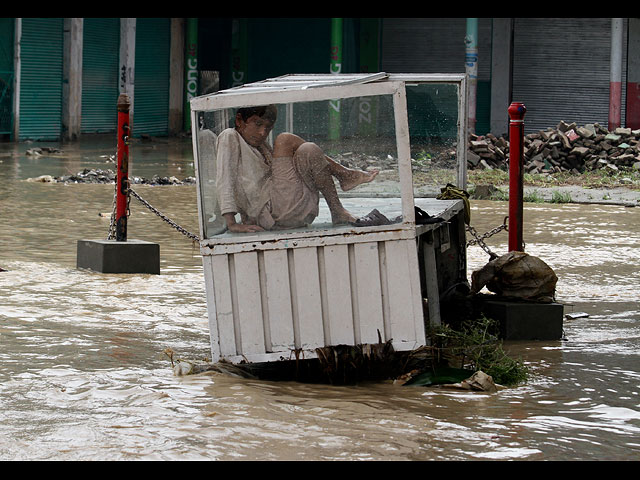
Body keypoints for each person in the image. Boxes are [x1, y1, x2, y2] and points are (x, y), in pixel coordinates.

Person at [215, 104, 378, 233]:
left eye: (268, 128)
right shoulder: (229, 136)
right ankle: (344, 174)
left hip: (288, 209)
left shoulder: (261, 146)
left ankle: (337, 210)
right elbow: (224, 179)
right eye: (258, 124)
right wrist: (231, 223)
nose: (262, 132)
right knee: (285, 139)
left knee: (309, 149)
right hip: (270, 213)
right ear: (239, 121)